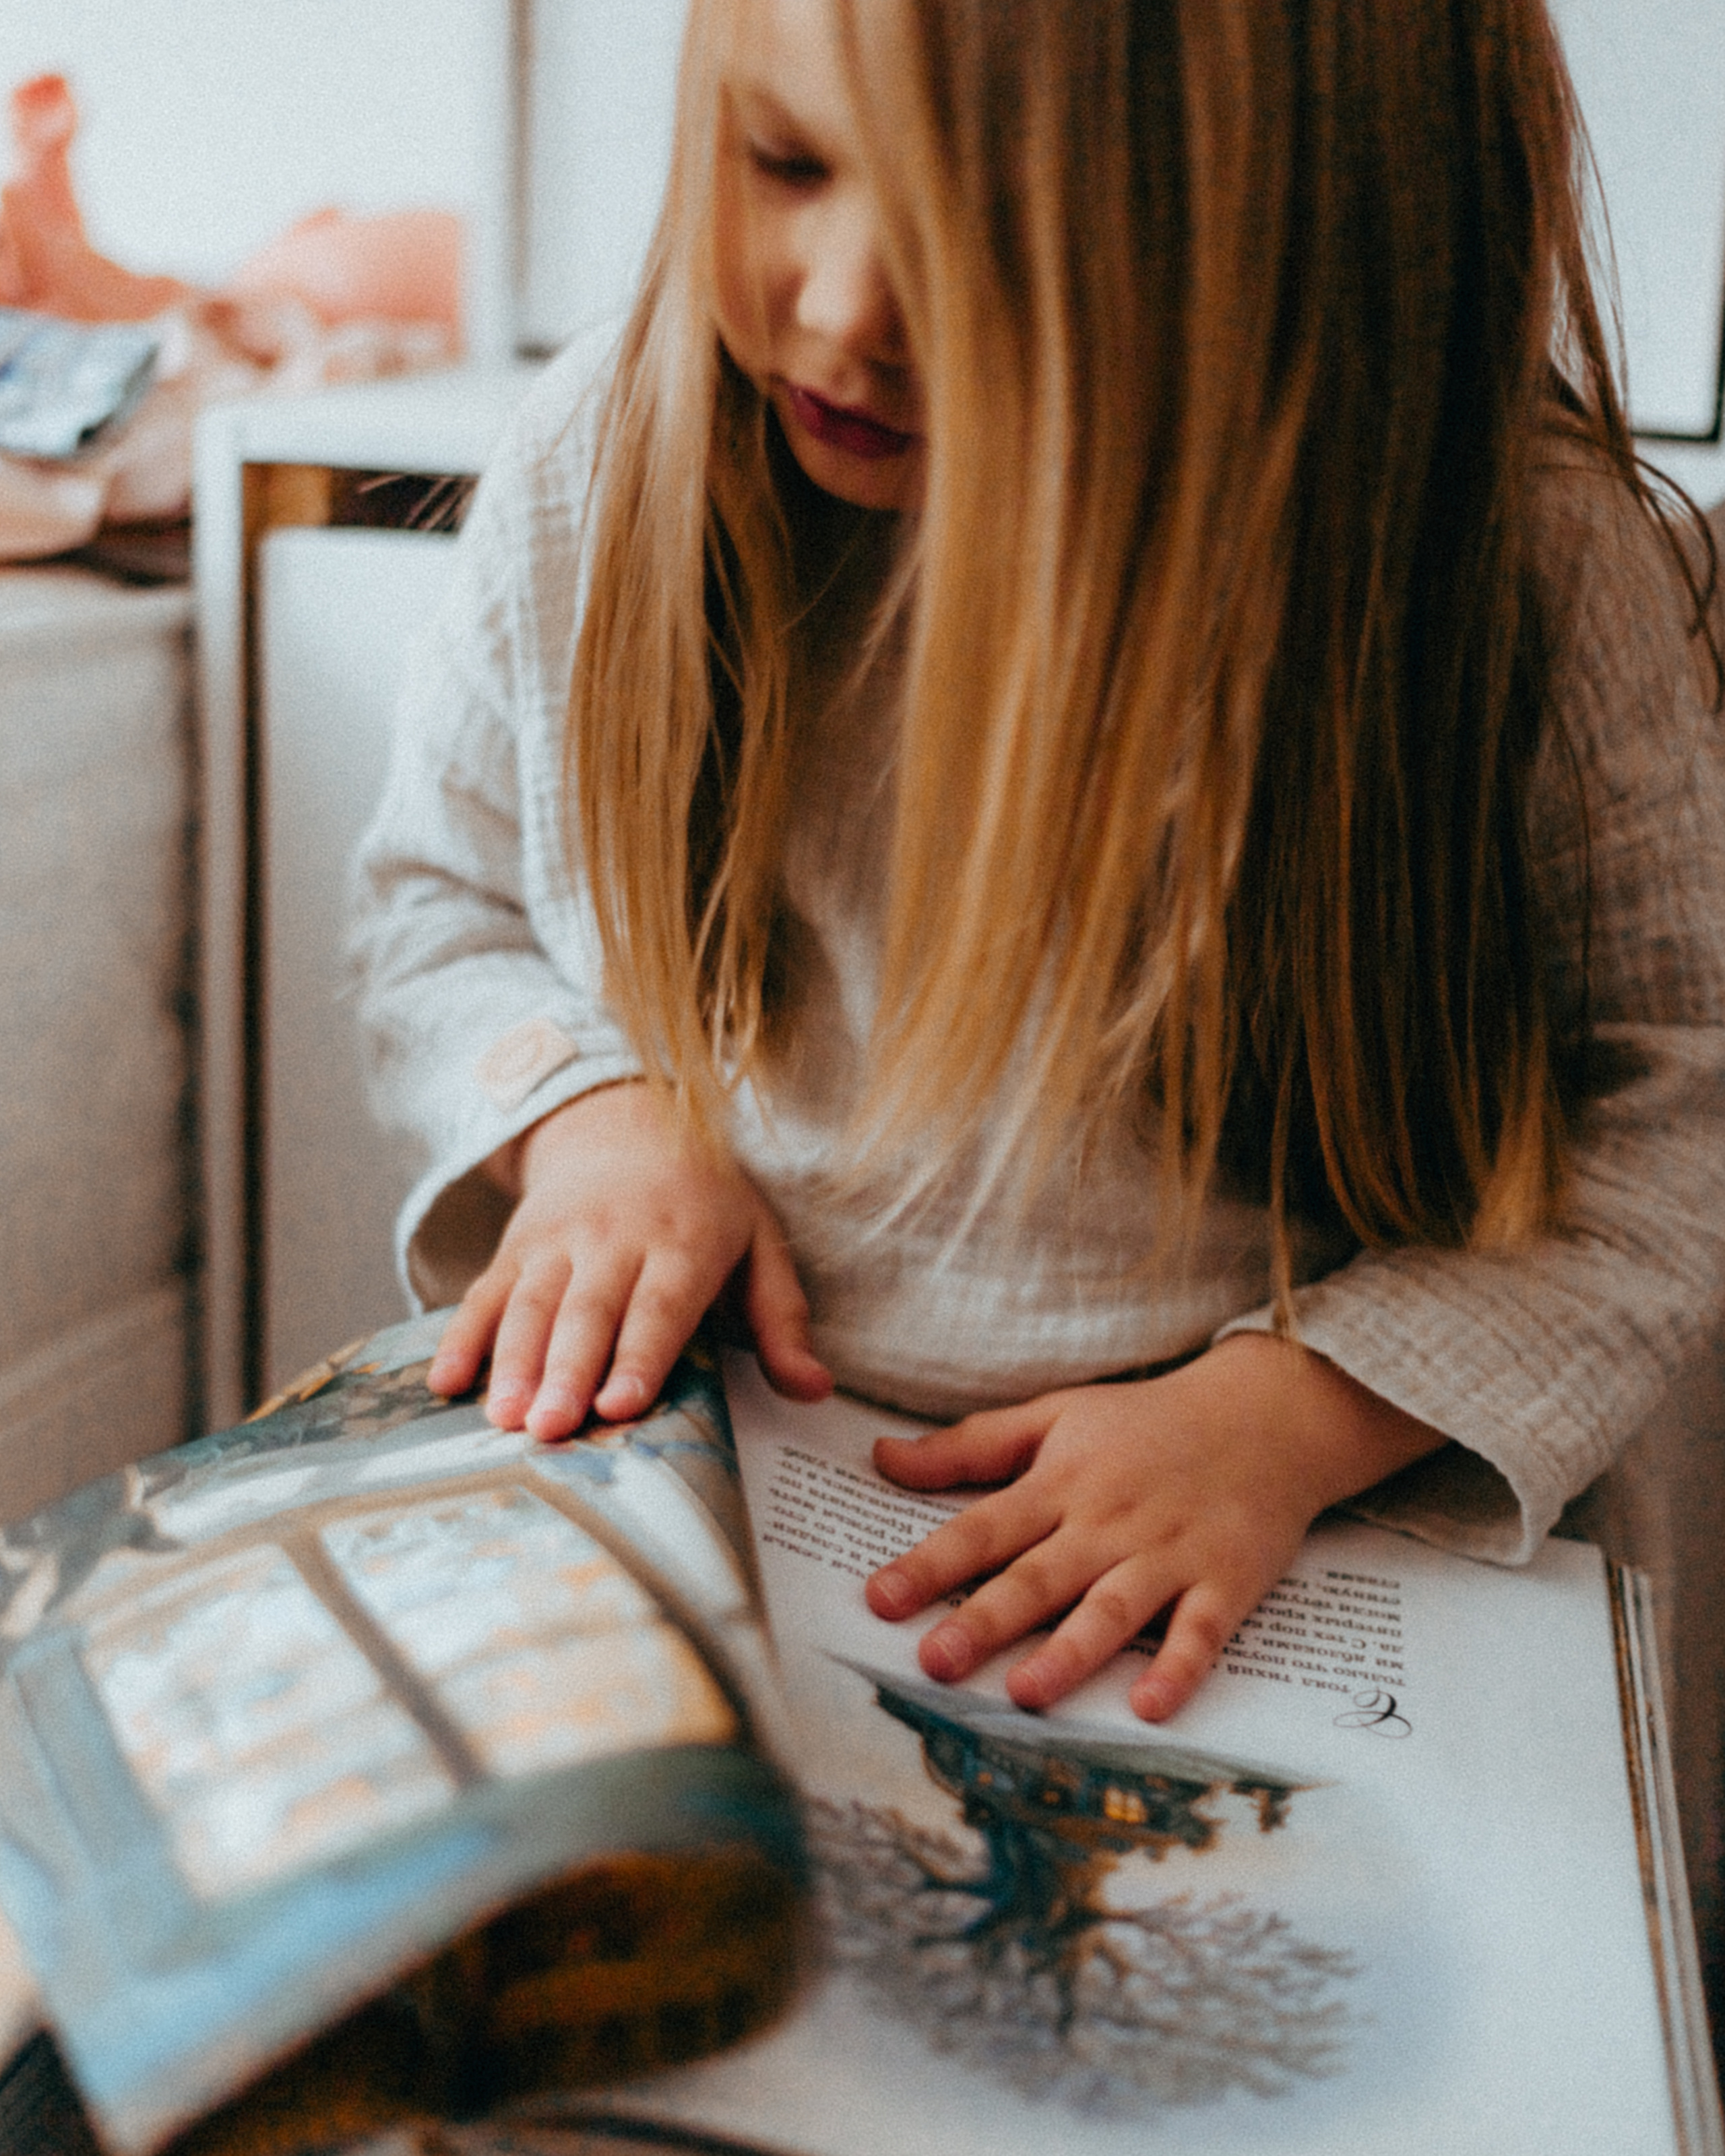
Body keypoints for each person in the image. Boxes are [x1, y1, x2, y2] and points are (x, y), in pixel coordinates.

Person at [350, 0, 1724, 1753]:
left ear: (1317, 246)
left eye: (989, 237)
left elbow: (1675, 1115)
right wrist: (596, 1119)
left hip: (1310, 1561)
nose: (840, 308)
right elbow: (436, 908)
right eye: (781, 159)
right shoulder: (605, 462)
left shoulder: (1522, 573)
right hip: (746, 1520)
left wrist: (1290, 1420)